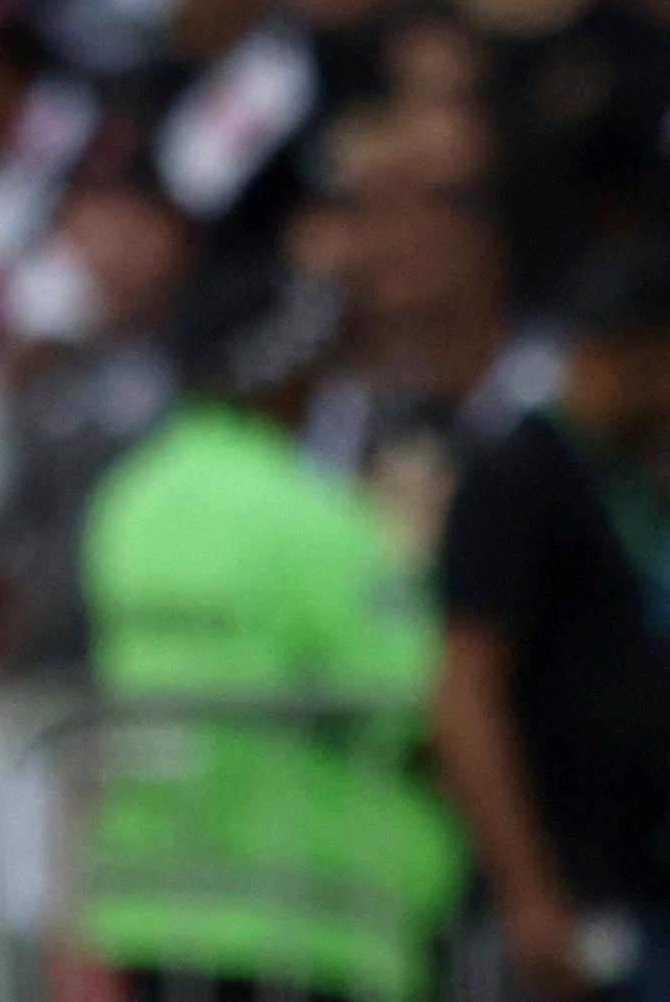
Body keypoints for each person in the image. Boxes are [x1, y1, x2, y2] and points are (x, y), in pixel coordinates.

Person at [81, 264, 462, 1002]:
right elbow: (417, 698)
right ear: (290, 371)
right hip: (316, 922)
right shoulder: (317, 519)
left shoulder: (129, 499)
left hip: (151, 907)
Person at [432, 248, 670, 1002]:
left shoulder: (624, 477)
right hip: (569, 891)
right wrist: (530, 895)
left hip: (640, 882)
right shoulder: (521, 477)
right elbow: (465, 695)